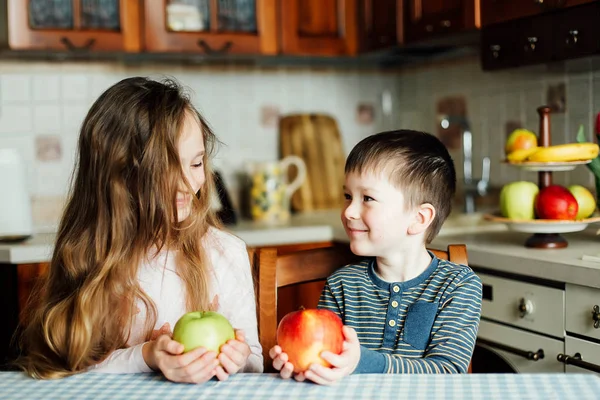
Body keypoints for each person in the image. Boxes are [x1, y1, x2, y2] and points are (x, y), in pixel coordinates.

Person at [16, 77, 262, 382]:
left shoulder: (224, 252)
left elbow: (254, 359)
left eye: (196, 164)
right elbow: (62, 365)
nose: (187, 183)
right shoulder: (91, 253)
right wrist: (147, 355)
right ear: (119, 177)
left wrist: (237, 359)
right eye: (166, 169)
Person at [270, 130, 482, 384]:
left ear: (419, 218)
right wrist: (305, 367)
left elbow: (448, 373)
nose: (349, 211)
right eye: (348, 196)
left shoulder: (457, 286)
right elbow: (326, 361)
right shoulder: (342, 286)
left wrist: (362, 362)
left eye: (367, 198)